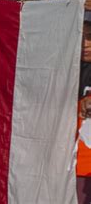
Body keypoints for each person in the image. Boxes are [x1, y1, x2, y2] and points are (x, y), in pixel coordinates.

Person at [76, 20, 91, 204]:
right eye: (80, 37)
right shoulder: (65, 70)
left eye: (90, 37)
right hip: (74, 167)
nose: (85, 44)